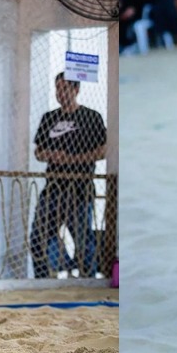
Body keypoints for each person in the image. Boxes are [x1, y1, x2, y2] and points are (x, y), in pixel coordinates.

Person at [29, 72, 106, 279]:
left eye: (64, 88)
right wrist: (52, 155)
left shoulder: (92, 117)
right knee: (38, 237)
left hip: (81, 190)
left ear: (76, 89)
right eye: (57, 88)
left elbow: (103, 150)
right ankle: (45, 279)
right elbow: (38, 151)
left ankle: (88, 280)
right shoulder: (49, 118)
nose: (60, 93)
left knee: (84, 242)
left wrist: (74, 159)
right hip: (53, 188)